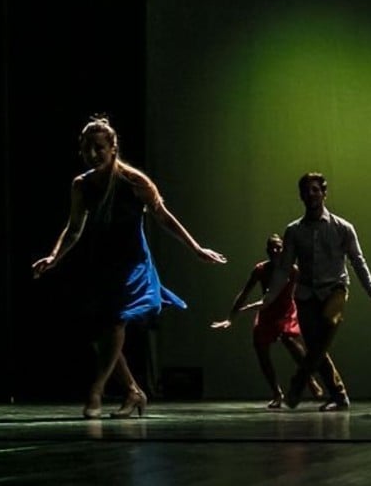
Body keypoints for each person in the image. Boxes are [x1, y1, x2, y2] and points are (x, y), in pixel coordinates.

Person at [32, 116, 227, 418]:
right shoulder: (81, 186)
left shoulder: (134, 182)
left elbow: (163, 217)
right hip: (102, 262)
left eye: (99, 148)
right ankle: (134, 392)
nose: (92, 155)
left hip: (133, 261)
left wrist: (196, 248)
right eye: (87, 149)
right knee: (100, 333)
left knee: (115, 321)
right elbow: (73, 229)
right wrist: (53, 257)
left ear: (113, 148)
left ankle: (96, 392)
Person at [268, 172, 371, 411]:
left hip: (335, 290)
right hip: (305, 294)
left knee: (325, 327)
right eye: (306, 191)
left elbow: (358, 262)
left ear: (324, 193)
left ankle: (297, 386)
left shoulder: (343, 228)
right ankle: (339, 396)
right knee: (316, 347)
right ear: (301, 196)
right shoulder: (293, 231)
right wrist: (268, 298)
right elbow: (284, 269)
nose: (311, 195)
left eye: (315, 190)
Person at [209, 234, 324, 408]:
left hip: (286, 311)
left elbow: (308, 289)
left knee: (289, 339)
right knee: (261, 348)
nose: (276, 251)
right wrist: (231, 318)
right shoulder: (261, 269)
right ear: (268, 251)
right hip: (267, 311)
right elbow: (245, 292)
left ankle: (308, 379)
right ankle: (276, 392)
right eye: (272, 248)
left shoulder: (292, 270)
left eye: (279, 247)